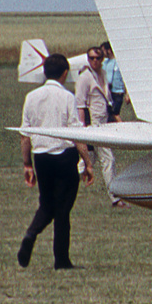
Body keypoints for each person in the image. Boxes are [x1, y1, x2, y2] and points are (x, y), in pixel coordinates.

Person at [18, 54, 95, 269]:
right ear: (64, 73)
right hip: (64, 156)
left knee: (46, 204)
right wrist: (87, 162)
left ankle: (31, 233)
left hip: (41, 157)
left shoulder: (31, 97)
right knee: (63, 209)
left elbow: (25, 135)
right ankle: (61, 260)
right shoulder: (67, 97)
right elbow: (75, 133)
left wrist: (27, 164)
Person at [75, 46, 124, 207]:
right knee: (108, 159)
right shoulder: (85, 77)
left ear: (102, 59)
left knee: (89, 159)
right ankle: (115, 198)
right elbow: (80, 105)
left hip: (103, 122)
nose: (94, 61)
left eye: (97, 58)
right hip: (93, 124)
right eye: (91, 58)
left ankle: (64, 181)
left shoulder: (102, 73)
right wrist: (82, 129)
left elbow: (106, 97)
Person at [101, 41, 127, 116]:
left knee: (114, 113)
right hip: (108, 91)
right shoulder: (105, 62)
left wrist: (127, 94)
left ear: (109, 50)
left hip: (118, 91)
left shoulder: (118, 62)